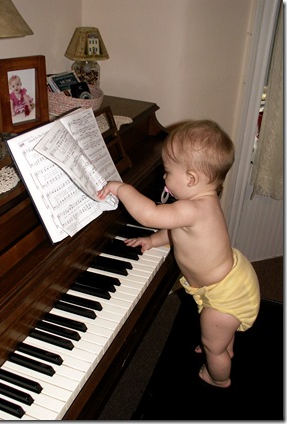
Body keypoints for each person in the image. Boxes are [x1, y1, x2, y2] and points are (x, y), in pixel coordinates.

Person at [97, 119, 260, 388]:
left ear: (191, 178)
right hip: (232, 279)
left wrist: (121, 188)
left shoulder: (191, 209)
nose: (163, 177)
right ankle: (225, 344)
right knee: (220, 332)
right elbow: (175, 232)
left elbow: (151, 214)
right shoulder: (201, 203)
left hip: (224, 294)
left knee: (212, 345)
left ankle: (219, 376)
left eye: (167, 171)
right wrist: (152, 240)